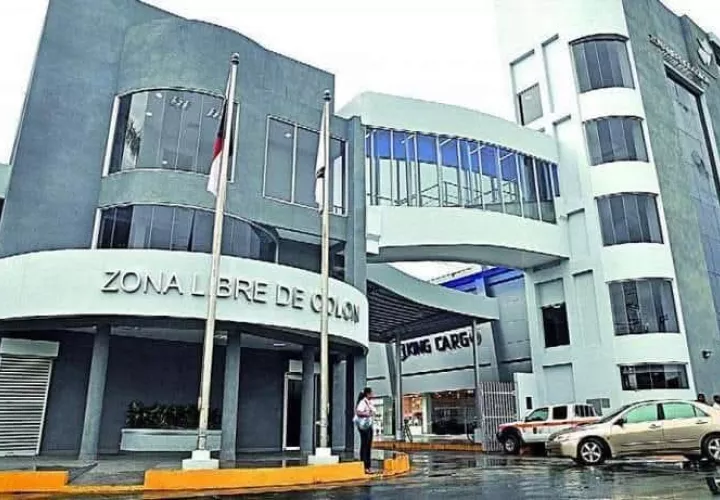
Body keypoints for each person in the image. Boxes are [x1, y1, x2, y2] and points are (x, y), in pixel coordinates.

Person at [354, 387, 375, 474]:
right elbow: (358, 412)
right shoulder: (363, 402)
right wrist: (367, 414)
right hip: (364, 426)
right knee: (365, 445)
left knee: (368, 445)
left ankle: (368, 466)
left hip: (368, 425)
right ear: (367, 394)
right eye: (371, 393)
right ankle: (365, 466)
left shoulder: (369, 402)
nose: (373, 394)